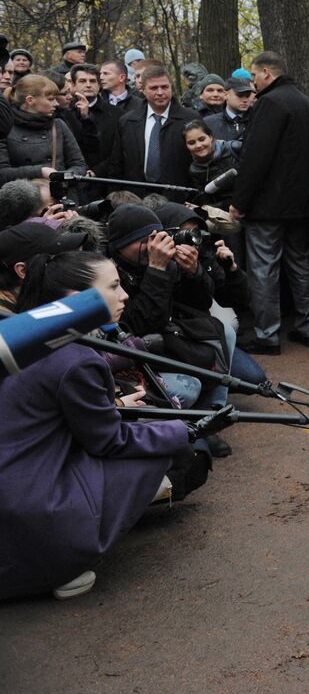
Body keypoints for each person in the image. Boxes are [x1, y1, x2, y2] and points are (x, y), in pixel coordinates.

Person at [0, 251, 192, 601]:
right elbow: (109, 441)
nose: (125, 296)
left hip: (17, 479)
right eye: (114, 287)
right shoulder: (76, 359)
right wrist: (182, 431)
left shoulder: (28, 335)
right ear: (78, 300)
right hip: (31, 501)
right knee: (166, 454)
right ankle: (64, 564)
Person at [229, 51, 309, 354]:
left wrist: (240, 201)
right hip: (301, 204)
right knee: (300, 264)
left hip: (268, 205)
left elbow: (256, 157)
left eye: (254, 76)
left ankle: (267, 335)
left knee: (263, 269)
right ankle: (307, 327)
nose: (252, 82)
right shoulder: (306, 103)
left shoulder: (270, 103)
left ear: (266, 72)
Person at [97, 64, 198, 186]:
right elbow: (116, 164)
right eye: (154, 88)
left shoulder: (190, 119)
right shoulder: (127, 122)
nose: (160, 92)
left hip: (179, 194)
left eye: (164, 87)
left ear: (171, 88)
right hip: (136, 195)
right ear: (143, 90)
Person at [0, 75, 88, 184]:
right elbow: (2, 173)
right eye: (50, 99)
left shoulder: (58, 125)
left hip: (58, 195)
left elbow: (79, 164)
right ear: (30, 100)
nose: (56, 103)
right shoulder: (5, 128)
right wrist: (40, 172)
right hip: (21, 197)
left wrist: (61, 179)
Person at [204, 75, 253, 142]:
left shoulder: (258, 120)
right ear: (225, 95)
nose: (245, 100)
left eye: (248, 96)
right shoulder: (209, 123)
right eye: (240, 95)